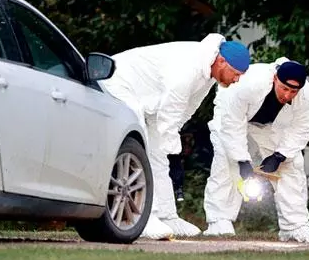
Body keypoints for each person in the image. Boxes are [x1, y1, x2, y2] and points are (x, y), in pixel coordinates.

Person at [101, 33, 250, 239]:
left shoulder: (207, 73)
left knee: (159, 153)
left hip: (150, 101)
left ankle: (167, 216)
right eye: (236, 73)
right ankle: (144, 217)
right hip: (119, 83)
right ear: (221, 62)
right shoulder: (189, 68)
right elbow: (170, 111)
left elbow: (185, 110)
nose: (237, 80)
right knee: (141, 147)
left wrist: (171, 148)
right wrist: (173, 152)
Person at [202, 57, 309, 243]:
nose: (288, 95)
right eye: (284, 89)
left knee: (291, 164)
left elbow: (301, 129)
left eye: (293, 91)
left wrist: (279, 155)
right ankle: (219, 221)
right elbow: (232, 125)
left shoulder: (306, 97)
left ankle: (294, 226)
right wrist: (242, 160)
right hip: (231, 114)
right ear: (275, 78)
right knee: (226, 161)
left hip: (267, 125)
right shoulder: (248, 84)